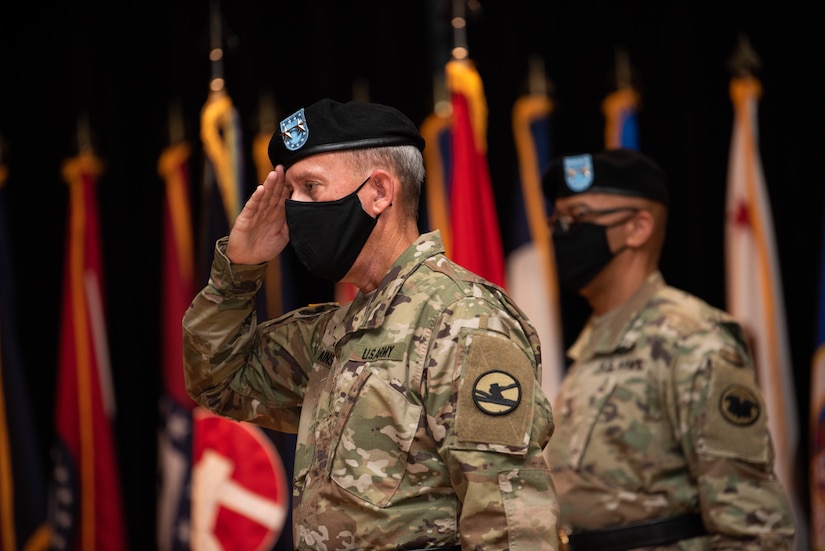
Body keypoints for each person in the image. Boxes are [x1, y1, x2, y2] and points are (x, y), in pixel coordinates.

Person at [183, 98, 561, 550]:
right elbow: (217, 380)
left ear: (379, 192)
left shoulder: (464, 319)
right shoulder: (337, 330)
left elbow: (513, 524)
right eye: (290, 195)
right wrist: (238, 271)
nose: (293, 209)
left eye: (310, 187)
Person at [540, 148, 796, 550]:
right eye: (557, 220)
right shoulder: (595, 341)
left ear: (638, 227)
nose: (561, 233)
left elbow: (754, 527)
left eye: (579, 218)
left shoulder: (692, 339)